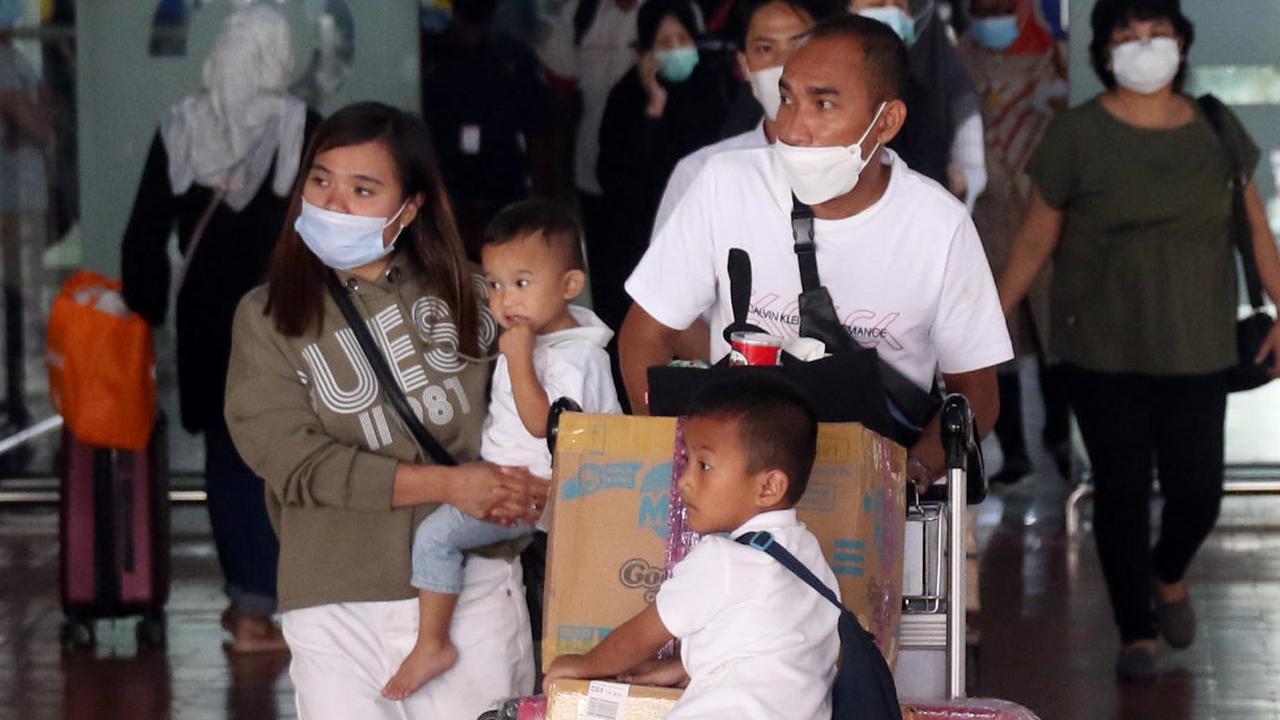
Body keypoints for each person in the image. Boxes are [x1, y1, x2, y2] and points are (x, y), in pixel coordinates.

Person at [224, 102, 548, 717]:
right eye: (320, 181)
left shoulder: (481, 298)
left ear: (411, 207)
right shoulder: (266, 317)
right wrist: (451, 484)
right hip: (334, 594)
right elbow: (292, 461)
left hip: (473, 590)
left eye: (362, 188)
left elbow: (549, 418)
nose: (333, 203)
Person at [997, 0, 1280, 681]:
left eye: (1157, 34)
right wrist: (987, 319)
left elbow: (1256, 229)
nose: (1145, 46)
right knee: (1120, 492)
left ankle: (1168, 572)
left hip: (1199, 343)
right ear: (1104, 52)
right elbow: (1038, 235)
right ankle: (1136, 631)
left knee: (1198, 492)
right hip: (1101, 347)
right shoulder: (1076, 135)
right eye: (1128, 36)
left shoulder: (1216, 127)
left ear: (1182, 43)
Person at [620, 15, 1012, 484]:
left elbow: (977, 394)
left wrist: (906, 479)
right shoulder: (725, 185)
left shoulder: (938, 225)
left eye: (823, 104)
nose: (793, 128)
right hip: (736, 497)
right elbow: (644, 334)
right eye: (788, 98)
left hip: (875, 498)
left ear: (886, 121)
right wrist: (678, 455)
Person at [119, 4, 319, 653]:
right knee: (287, 453)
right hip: (284, 315)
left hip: (208, 319)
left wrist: (144, 311)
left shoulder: (181, 125)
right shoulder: (302, 128)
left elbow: (145, 231)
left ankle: (251, 607)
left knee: (227, 459)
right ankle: (301, 603)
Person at [382, 199, 622, 700]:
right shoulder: (549, 339)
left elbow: (545, 426)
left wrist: (517, 361)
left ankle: (432, 644)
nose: (504, 298)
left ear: (569, 286)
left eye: (522, 282)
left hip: (534, 496)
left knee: (435, 536)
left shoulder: (573, 358)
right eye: (493, 283)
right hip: (521, 486)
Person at [543, 374, 839, 719]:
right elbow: (772, 655)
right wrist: (684, 667)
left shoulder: (724, 560)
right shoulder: (811, 560)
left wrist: (583, 665)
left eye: (705, 465)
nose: (684, 479)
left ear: (768, 487)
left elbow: (640, 637)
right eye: (686, 461)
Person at [956, 0, 1069, 484]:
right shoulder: (959, 57)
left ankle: (1061, 437)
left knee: (1053, 327)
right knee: (997, 330)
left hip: (1049, 210)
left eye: (1003, 4)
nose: (993, 15)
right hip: (987, 214)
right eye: (984, 6)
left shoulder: (1058, 58)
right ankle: (1014, 448)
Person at [594, 0, 734, 334]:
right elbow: (615, 175)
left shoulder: (717, 89)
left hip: (709, 233)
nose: (676, 50)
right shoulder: (626, 97)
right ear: (645, 51)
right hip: (643, 237)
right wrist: (654, 108)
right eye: (664, 43)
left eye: (682, 40)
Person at [652, 0, 816, 231]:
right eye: (765, 49)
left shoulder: (869, 165)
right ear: (745, 64)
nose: (784, 64)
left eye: (799, 46)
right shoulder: (700, 176)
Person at [421, 0, 553, 259]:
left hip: (503, 196)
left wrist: (544, 206)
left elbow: (540, 132)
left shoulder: (514, 58)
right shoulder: (429, 55)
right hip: (446, 197)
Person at [539, 0, 645, 278]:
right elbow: (559, 95)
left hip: (657, 173)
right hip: (593, 172)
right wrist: (556, 181)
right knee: (606, 274)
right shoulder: (580, 13)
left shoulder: (675, 9)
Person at [852, 0, 987, 210]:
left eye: (899, 6)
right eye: (878, 5)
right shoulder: (826, 93)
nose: (891, 12)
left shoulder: (921, 99)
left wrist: (968, 172)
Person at [0, 0, 53, 450]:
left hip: (26, 199)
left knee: (24, 303)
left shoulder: (18, 60)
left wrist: (30, 118)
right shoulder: (5, 65)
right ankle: (14, 401)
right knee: (16, 304)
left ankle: (18, 400)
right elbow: (37, 122)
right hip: (9, 204)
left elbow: (49, 121)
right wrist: (29, 116)